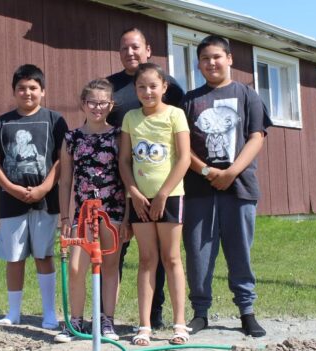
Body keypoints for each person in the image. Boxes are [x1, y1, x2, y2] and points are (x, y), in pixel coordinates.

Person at [180, 35, 272, 337]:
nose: (211, 63)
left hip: (239, 188)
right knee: (198, 253)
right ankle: (200, 313)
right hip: (198, 190)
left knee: (240, 252)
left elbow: (256, 136)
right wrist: (207, 170)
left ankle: (247, 312)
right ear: (198, 64)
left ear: (229, 58)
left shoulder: (247, 95)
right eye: (205, 58)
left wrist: (231, 171)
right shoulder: (190, 100)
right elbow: (182, 147)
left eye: (217, 56)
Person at [106, 27, 185, 329]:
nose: (130, 52)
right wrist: (130, 187)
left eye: (135, 47)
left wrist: (166, 189)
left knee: (161, 255)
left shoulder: (171, 87)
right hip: (123, 184)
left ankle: (156, 314)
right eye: (124, 48)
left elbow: (180, 139)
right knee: (116, 249)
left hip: (162, 182)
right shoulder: (110, 86)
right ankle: (107, 316)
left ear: (148, 50)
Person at [0, 64, 68, 330]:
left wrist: (44, 187)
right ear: (14, 91)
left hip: (46, 200)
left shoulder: (54, 120)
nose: (27, 93)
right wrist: (11, 188)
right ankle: (14, 312)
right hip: (11, 202)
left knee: (44, 255)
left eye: (33, 88)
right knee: (14, 257)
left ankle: (49, 314)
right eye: (22, 88)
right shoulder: (3, 122)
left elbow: (62, 159)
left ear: (42, 91)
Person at [118, 63, 191, 345]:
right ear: (135, 90)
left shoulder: (175, 114)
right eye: (141, 87)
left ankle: (180, 324)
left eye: (152, 86)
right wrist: (134, 192)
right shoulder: (130, 118)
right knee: (147, 259)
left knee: (171, 258)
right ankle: (144, 325)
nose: (147, 92)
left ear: (164, 88)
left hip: (170, 196)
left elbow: (184, 158)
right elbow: (124, 160)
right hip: (138, 199)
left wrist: (162, 194)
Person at [54, 79, 127, 342]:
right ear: (83, 104)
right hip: (82, 213)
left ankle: (106, 321)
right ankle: (75, 322)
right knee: (76, 267)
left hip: (113, 211)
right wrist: (65, 216)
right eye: (92, 102)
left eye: (103, 102)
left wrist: (128, 215)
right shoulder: (72, 138)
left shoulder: (119, 136)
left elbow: (127, 176)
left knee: (109, 266)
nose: (97, 107)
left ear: (111, 105)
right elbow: (64, 181)